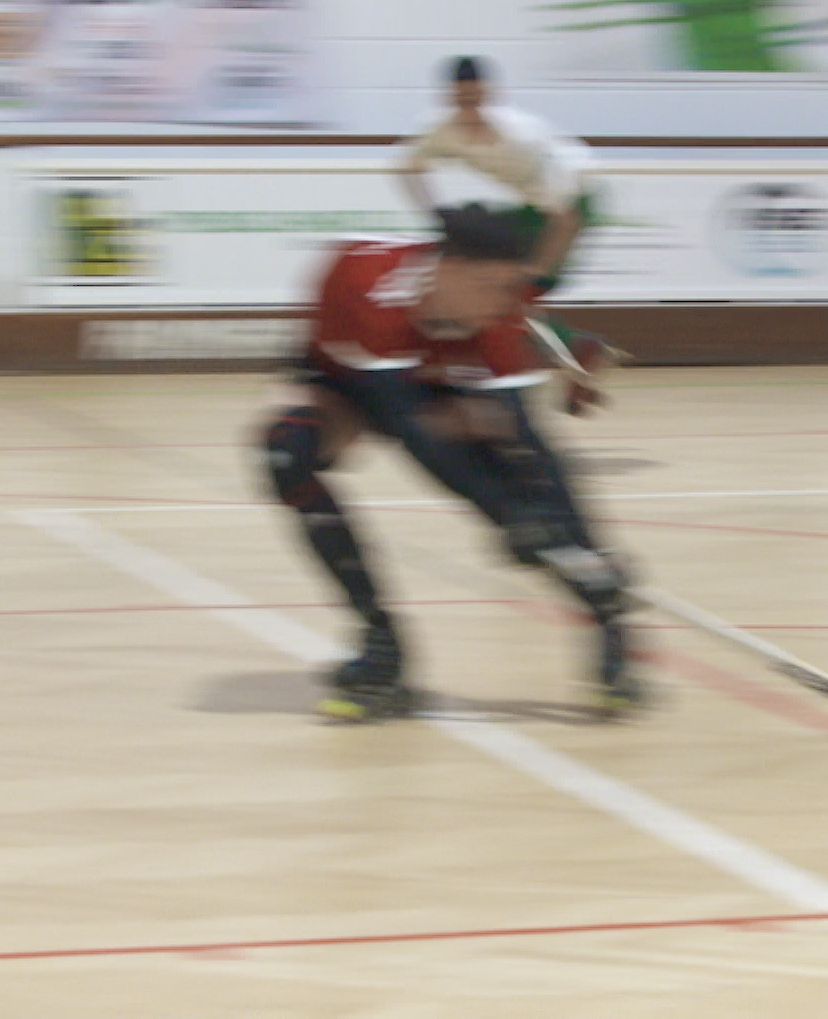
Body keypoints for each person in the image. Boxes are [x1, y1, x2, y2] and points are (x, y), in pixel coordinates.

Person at [262, 203, 640, 721]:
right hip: (351, 376)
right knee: (287, 453)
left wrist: (572, 544)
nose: (501, 305)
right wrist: (506, 515)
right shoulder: (371, 287)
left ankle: (607, 616)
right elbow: (413, 430)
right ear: (448, 270)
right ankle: (382, 646)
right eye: (490, 289)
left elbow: (524, 443)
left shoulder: (499, 319)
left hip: (436, 383)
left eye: (510, 290)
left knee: (531, 493)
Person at [398, 55, 592, 298]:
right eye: (462, 101)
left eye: (475, 100)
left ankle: (555, 334)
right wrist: (433, 212)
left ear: (489, 94)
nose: (469, 111)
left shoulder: (521, 142)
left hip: (577, 200)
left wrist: (536, 272)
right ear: (449, 96)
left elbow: (567, 219)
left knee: (522, 285)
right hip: (537, 204)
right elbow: (407, 168)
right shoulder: (440, 129)